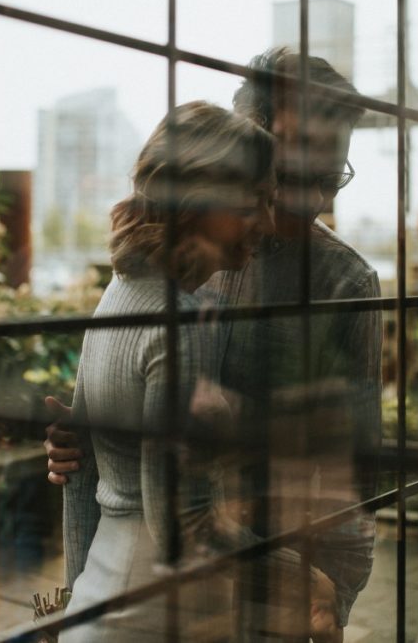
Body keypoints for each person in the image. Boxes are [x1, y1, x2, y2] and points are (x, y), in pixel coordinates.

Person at [48, 48, 382, 640]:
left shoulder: (345, 283)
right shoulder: (163, 278)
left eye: (331, 180)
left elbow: (355, 481)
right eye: (290, 175)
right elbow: (130, 478)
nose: (312, 202)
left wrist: (323, 599)